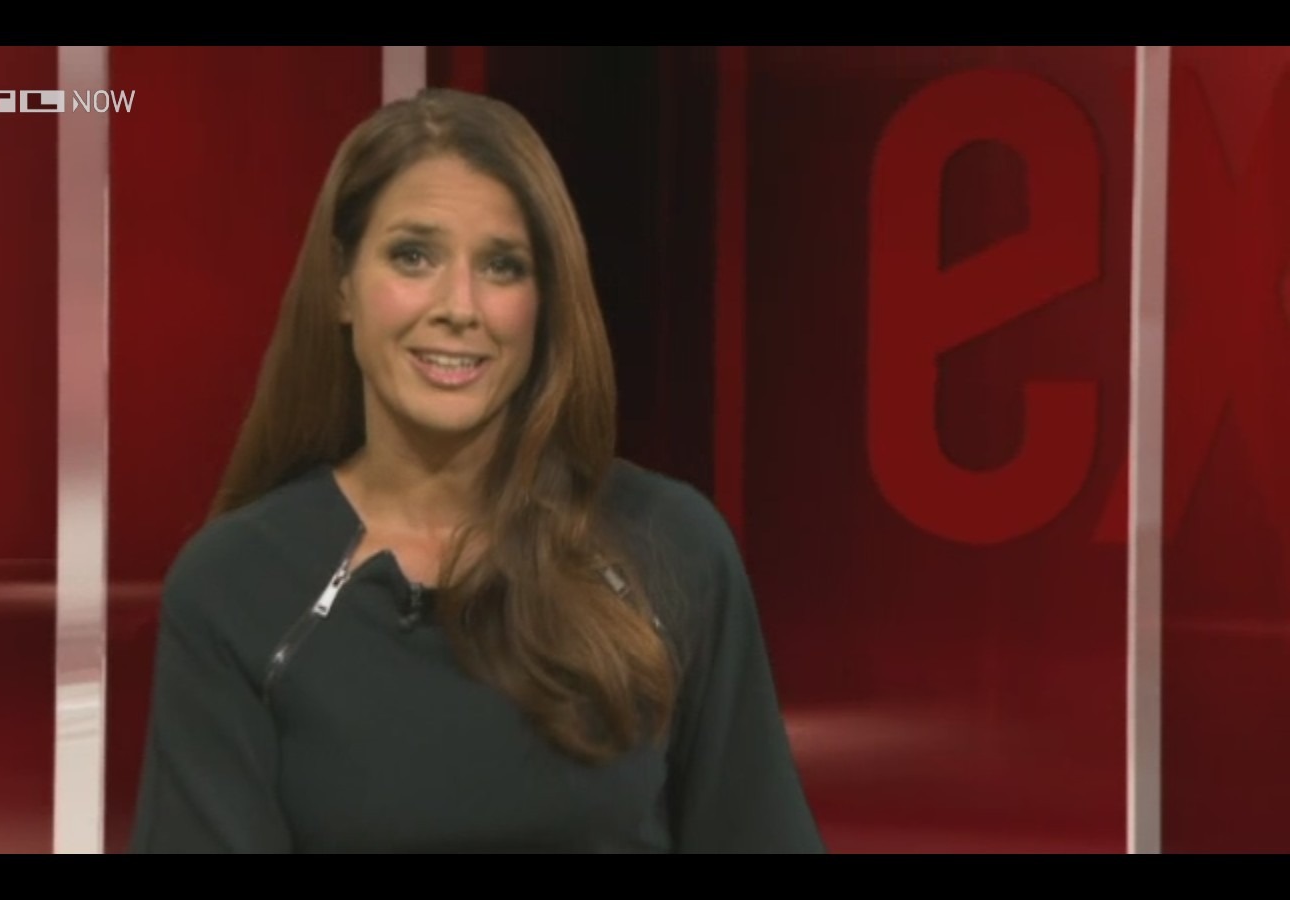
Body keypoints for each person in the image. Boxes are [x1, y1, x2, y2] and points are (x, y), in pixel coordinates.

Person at [128, 87, 825, 854]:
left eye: (502, 266)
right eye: (413, 256)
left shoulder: (670, 548)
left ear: (545, 300)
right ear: (341, 283)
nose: (460, 306)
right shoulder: (235, 586)